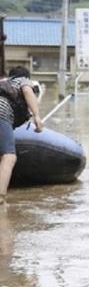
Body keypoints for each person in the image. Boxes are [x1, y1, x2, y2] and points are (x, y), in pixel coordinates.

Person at [0, 66, 44, 206]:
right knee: (9, 156)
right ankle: (0, 198)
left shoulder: (2, 83)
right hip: (1, 113)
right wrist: (37, 116)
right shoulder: (23, 80)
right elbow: (26, 90)